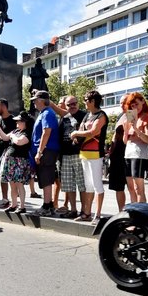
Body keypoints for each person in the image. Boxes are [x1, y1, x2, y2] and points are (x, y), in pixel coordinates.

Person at [70, 90, 109, 223]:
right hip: (84, 153)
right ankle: (87, 213)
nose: (84, 102)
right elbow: (82, 131)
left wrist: (76, 133)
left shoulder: (101, 116)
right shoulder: (87, 116)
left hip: (96, 154)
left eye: (86, 100)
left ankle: (97, 215)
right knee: (88, 185)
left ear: (93, 101)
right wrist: (78, 133)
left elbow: (93, 132)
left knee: (97, 184)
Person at [0, 111, 34, 213]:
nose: (17, 123)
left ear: (25, 122)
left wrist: (13, 136)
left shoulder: (27, 133)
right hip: (11, 160)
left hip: (20, 161)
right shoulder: (16, 131)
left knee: (19, 184)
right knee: (12, 183)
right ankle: (14, 204)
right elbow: (5, 137)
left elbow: (19, 142)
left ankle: (22, 206)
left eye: (19, 121)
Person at [120, 92, 148, 204]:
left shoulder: (147, 117)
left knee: (138, 188)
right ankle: (134, 211)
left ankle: (141, 214)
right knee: (130, 187)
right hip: (128, 153)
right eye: (132, 106)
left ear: (143, 101)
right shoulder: (131, 116)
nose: (134, 107)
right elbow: (125, 141)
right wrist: (125, 131)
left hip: (139, 154)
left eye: (136, 104)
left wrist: (136, 129)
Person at [31, 91, 61, 217]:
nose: (33, 103)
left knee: (46, 178)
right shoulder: (44, 113)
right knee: (44, 178)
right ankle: (48, 205)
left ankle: (47, 206)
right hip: (45, 150)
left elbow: (46, 132)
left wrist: (39, 152)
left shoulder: (47, 113)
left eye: (34, 100)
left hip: (46, 150)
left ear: (41, 100)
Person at [56, 95, 86, 217]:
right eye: (69, 104)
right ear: (65, 106)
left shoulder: (84, 116)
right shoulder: (64, 118)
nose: (72, 106)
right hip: (65, 156)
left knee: (82, 185)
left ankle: (84, 210)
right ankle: (73, 210)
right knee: (69, 185)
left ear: (78, 103)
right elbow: (59, 137)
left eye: (74, 103)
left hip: (79, 154)